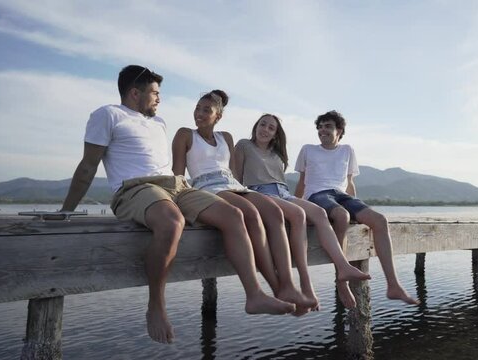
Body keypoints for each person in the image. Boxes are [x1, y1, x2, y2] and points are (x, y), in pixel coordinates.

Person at [58, 66, 294, 344]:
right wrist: (66, 212)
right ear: (135, 93)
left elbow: (174, 170)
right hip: (135, 187)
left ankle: (254, 295)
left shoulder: (158, 122)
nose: (159, 98)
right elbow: (87, 167)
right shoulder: (107, 115)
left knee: (233, 215)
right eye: (155, 93)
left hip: (176, 184)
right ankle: (156, 306)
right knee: (172, 222)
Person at [172, 90, 317, 314]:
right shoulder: (185, 134)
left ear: (218, 116)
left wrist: (243, 192)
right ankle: (274, 289)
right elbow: (178, 176)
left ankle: (288, 285)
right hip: (206, 187)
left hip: (233, 185)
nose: (199, 113)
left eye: (206, 110)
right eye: (197, 108)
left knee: (273, 212)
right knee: (249, 214)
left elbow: (233, 174)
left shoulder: (226, 138)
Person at [234, 114, 371, 309]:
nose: (265, 130)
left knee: (319, 214)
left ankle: (342, 267)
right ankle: (307, 287)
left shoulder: (277, 152)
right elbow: (237, 179)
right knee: (298, 215)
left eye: (271, 128)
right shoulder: (243, 145)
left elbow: (293, 184)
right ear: (256, 126)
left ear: (275, 134)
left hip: (283, 192)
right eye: (262, 125)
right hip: (259, 192)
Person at [294, 110, 419, 306]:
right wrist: (294, 206)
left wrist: (358, 208)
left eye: (328, 126)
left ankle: (393, 285)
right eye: (320, 127)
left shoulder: (347, 150)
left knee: (380, 220)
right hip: (317, 194)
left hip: (341, 195)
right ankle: (341, 279)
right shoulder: (308, 149)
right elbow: (302, 182)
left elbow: (350, 183)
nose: (322, 130)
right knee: (341, 216)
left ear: (339, 130)